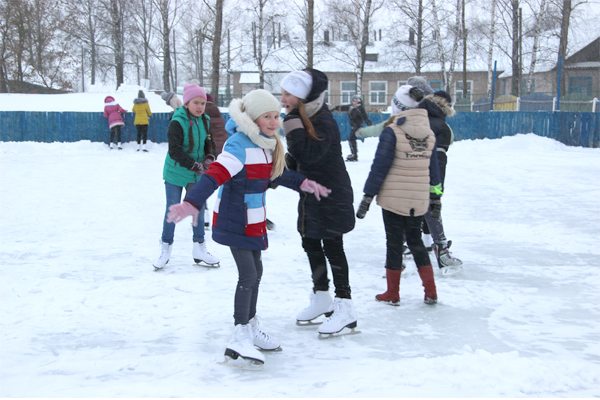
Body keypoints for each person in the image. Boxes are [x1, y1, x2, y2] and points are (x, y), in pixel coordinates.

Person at [166, 89, 331, 369]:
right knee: (249, 274)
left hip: (254, 218)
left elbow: (276, 174)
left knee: (257, 272)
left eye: (276, 116)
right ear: (253, 119)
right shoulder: (238, 145)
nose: (273, 121)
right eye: (267, 116)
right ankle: (239, 334)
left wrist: (303, 183)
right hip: (235, 218)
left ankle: (251, 324)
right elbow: (215, 174)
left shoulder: (266, 144)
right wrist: (192, 203)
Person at [281, 68, 358, 337]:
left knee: (333, 247)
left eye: (288, 94)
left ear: (302, 96)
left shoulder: (322, 120)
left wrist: (291, 125)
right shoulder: (304, 118)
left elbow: (308, 154)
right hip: (312, 196)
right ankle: (322, 296)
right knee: (310, 243)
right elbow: (298, 159)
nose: (283, 100)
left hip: (331, 195)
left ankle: (345, 306)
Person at [356, 84, 441, 306]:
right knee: (416, 242)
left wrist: (367, 196)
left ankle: (392, 293)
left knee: (394, 243)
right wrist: (435, 197)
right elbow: (434, 169)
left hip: (394, 199)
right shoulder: (429, 133)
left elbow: (379, 166)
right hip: (418, 198)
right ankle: (430, 291)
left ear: (397, 106)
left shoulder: (392, 131)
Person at [153, 83, 220, 270]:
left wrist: (209, 157)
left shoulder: (205, 120)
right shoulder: (177, 121)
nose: (200, 107)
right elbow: (174, 150)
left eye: (203, 103)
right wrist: (194, 165)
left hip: (196, 173)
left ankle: (199, 247)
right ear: (187, 103)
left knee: (196, 209)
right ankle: (165, 247)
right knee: (172, 210)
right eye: (196, 103)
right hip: (176, 173)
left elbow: (210, 144)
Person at [418, 90, 463, 275]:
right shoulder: (441, 126)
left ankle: (404, 248)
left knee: (412, 209)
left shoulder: (419, 116)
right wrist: (437, 188)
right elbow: (438, 161)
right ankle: (442, 251)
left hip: (407, 172)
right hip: (428, 172)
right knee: (432, 207)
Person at [346, 95, 372, 162]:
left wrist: (370, 125)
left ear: (359, 102)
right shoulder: (351, 107)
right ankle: (354, 155)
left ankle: (354, 155)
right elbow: (343, 107)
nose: (355, 102)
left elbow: (365, 117)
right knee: (352, 139)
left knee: (351, 139)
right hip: (354, 126)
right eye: (354, 101)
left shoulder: (359, 108)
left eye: (356, 101)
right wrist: (334, 108)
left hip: (357, 126)